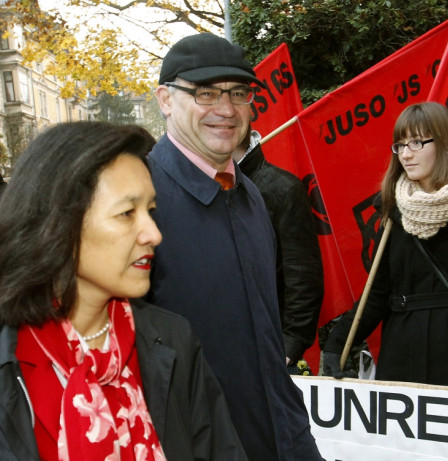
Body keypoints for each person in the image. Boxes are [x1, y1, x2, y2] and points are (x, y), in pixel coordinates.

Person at [0, 121, 248, 460]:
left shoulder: (173, 341)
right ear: (59, 225)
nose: (153, 234)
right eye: (127, 213)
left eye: (151, 211)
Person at [146, 33, 322, 460]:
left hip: (282, 434)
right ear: (165, 99)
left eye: (239, 93)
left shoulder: (251, 195)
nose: (226, 109)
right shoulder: (137, 200)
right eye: (206, 93)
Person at [321, 102, 448, 394]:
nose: (405, 154)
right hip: (401, 355)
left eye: (416, 142)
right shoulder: (394, 209)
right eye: (400, 145)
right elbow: (376, 293)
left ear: (443, 142)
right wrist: (337, 345)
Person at [233, 127, 324, 372]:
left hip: (267, 352)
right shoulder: (198, 183)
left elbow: (303, 277)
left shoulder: (283, 188)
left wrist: (288, 347)